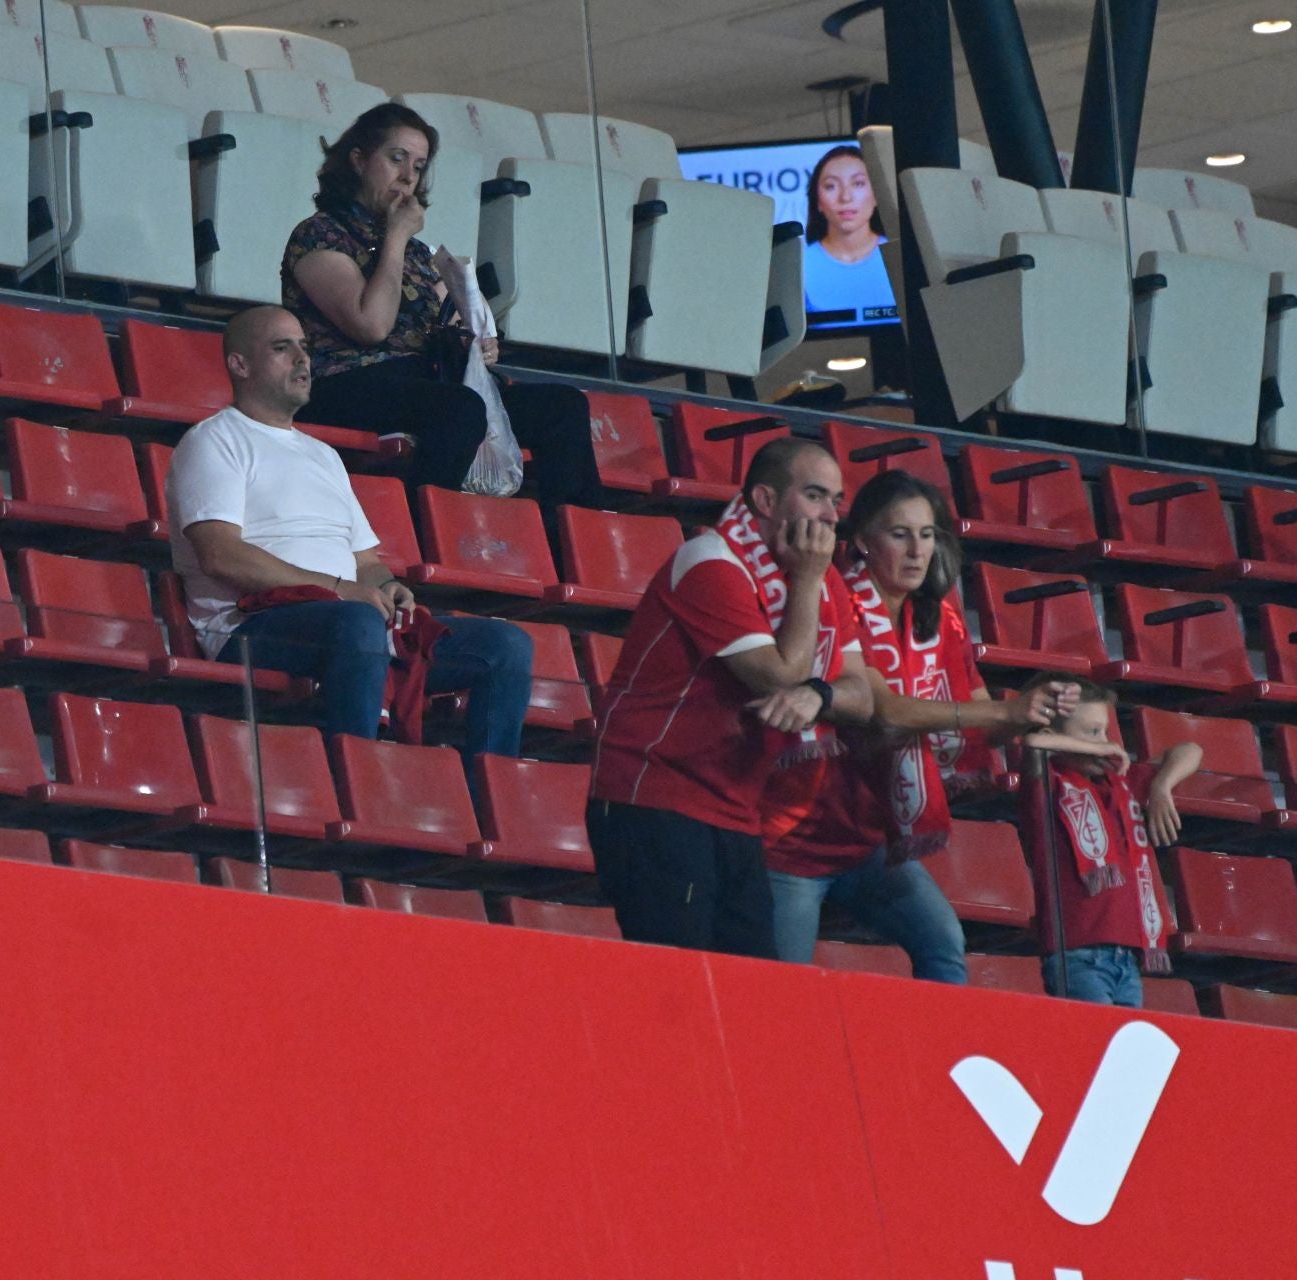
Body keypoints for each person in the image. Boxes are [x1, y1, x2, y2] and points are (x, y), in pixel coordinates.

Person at [168, 305, 533, 758]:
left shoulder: (323, 455)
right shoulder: (212, 441)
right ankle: (360, 774)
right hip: (251, 626)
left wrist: (389, 587)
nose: (303, 359)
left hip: (346, 622)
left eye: (305, 347)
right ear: (239, 365)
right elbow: (221, 555)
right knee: (357, 622)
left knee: (506, 645)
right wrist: (343, 591)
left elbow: (365, 562)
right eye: (282, 349)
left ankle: (491, 798)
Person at [764, 471, 1074, 983]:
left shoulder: (940, 617)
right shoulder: (835, 600)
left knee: (945, 946)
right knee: (781, 989)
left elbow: (979, 724)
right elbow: (882, 710)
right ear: (862, 540)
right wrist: (1005, 711)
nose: (917, 551)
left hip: (869, 840)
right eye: (900, 534)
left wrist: (1035, 712)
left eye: (927, 535)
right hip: (793, 838)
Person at [588, 438, 873, 957]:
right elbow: (777, 677)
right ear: (765, 501)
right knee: (679, 990)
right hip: (655, 797)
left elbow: (863, 696)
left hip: (736, 808)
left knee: (746, 996)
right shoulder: (712, 562)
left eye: (837, 500)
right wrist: (808, 583)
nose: (832, 515)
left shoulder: (823, 578)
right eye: (815, 496)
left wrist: (818, 694)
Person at [281, 102, 604, 524]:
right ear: (359, 161)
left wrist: (477, 344)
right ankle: (429, 534)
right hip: (345, 382)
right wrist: (396, 237)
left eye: (418, 166)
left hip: (426, 382)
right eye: (396, 159)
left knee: (562, 405)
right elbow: (371, 325)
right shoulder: (319, 234)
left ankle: (575, 541)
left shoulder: (419, 254)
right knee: (459, 409)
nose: (408, 177)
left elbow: (450, 321)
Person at [1019, 675, 1200, 1007]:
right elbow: (1033, 745)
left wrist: (1162, 787)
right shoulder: (1048, 783)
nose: (1104, 742)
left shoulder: (1121, 783)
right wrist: (1101, 748)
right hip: (1076, 955)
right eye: (1091, 732)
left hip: (1126, 960)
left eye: (1104, 732)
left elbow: (1191, 749)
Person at [802, 145, 897, 322]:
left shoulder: (901, 259)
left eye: (858, 184)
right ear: (818, 201)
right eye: (831, 186)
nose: (846, 197)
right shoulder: (799, 267)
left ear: (877, 194)